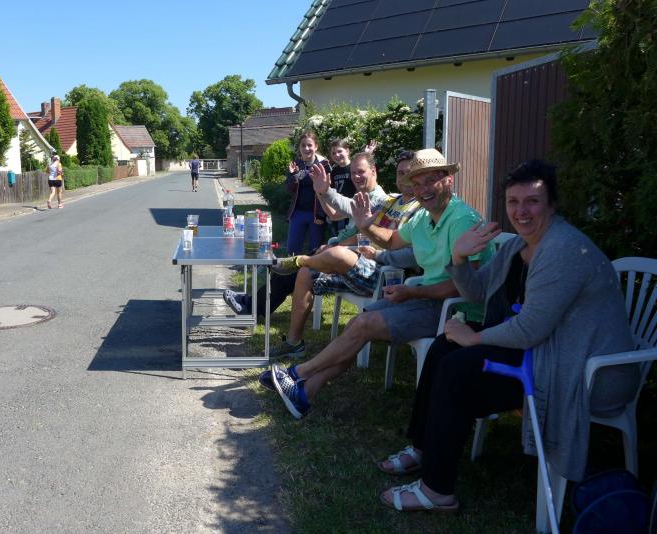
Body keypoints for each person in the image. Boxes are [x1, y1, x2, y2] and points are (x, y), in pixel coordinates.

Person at [379, 159, 640, 513]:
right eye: (513, 202)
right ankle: (423, 447)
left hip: (580, 369)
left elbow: (531, 327)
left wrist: (474, 338)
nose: (521, 211)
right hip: (544, 350)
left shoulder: (563, 249)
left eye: (532, 201)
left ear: (552, 204)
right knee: (443, 347)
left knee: (458, 368)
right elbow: (476, 292)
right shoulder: (518, 247)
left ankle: (437, 490)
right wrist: (459, 257)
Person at [267, 148, 494, 419]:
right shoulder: (424, 217)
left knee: (363, 325)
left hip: (457, 312)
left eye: (430, 180)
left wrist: (412, 292)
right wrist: (366, 225)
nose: (423, 189)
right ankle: (305, 393)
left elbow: (464, 287)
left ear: (448, 180)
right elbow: (391, 240)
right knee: (357, 325)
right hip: (427, 298)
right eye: (417, 183)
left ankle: (297, 373)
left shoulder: (461, 220)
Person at [265, 150, 420, 358]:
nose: (405, 177)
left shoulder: (420, 209)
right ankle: (294, 343)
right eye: (401, 173)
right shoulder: (391, 201)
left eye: (410, 173)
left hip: (390, 277)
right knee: (306, 274)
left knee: (336, 253)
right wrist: (326, 191)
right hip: (365, 266)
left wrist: (378, 256)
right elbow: (350, 208)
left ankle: (298, 260)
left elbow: (412, 256)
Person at [222, 147, 392, 324]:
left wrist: (334, 245)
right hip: (338, 251)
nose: (356, 176)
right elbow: (335, 214)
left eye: (361, 172)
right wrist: (320, 192)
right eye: (353, 172)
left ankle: (252, 307)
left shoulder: (379, 200)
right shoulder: (362, 195)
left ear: (374, 171)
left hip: (352, 262)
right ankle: (252, 305)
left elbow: (367, 238)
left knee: (292, 272)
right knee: (287, 272)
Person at [285, 131, 327, 254]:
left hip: (316, 215)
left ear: (316, 147)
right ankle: (293, 267)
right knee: (292, 250)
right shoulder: (295, 164)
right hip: (297, 213)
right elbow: (288, 189)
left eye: (309, 145)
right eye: (303, 145)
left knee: (315, 251)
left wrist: (321, 215)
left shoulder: (323, 164)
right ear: (299, 147)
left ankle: (311, 267)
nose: (306, 148)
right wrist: (294, 175)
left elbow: (327, 191)